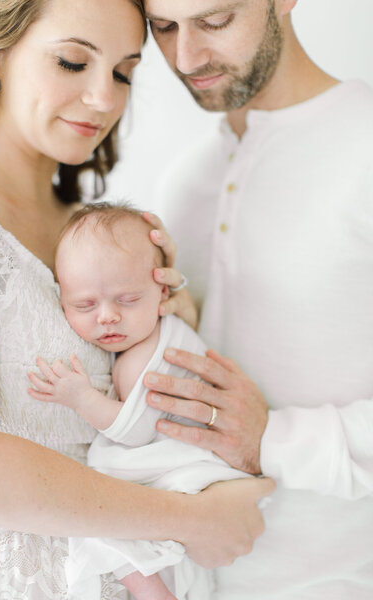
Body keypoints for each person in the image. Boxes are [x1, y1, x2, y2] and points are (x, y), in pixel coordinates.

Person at [0, 0, 274, 598]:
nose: (105, 99)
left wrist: (168, 333)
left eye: (123, 72)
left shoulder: (99, 239)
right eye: (72, 62)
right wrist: (194, 520)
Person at [137, 0, 373, 598]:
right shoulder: (181, 183)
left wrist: (273, 439)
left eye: (214, 21)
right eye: (164, 28)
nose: (186, 58)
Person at [28, 202, 253, 600]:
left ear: (162, 291)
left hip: (190, 475)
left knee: (102, 527)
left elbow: (132, 433)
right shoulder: (146, 337)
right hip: (184, 471)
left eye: (128, 300)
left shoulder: (148, 356)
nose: (108, 316)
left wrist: (80, 397)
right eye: (84, 305)